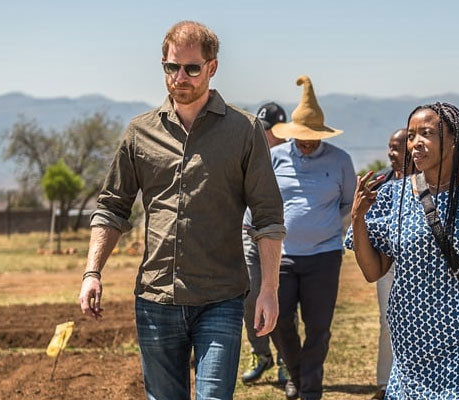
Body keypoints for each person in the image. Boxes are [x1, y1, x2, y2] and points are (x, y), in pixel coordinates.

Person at [77, 21, 285, 400]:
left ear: (212, 67)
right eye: (172, 67)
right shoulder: (139, 133)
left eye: (191, 68)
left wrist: (268, 290)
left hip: (220, 298)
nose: (180, 77)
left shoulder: (245, 130)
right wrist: (93, 272)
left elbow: (268, 216)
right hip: (155, 299)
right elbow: (111, 207)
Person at [348, 102, 459, 399]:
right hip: (410, 349)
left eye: (426, 133)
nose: (415, 143)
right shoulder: (394, 195)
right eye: (411, 135)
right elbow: (373, 271)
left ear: (453, 140)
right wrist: (357, 218)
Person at [268, 75, 357, 400]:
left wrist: (326, 226)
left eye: (312, 138)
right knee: (279, 322)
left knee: (318, 327)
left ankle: (310, 389)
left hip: (324, 256)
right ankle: (296, 373)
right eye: (302, 138)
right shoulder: (275, 158)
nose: (307, 143)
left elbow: (349, 203)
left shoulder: (340, 161)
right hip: (282, 255)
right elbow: (261, 202)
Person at [240, 102, 289, 385]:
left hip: (280, 240)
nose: (266, 134)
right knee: (249, 298)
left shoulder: (291, 156)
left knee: (280, 300)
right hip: (249, 236)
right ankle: (261, 354)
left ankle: (285, 359)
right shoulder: (247, 152)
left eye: (269, 129)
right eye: (262, 129)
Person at [368, 128, 407, 400]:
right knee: (388, 322)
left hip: (419, 265)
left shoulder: (428, 182)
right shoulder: (381, 182)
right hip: (387, 265)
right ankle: (385, 384)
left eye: (397, 148)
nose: (392, 153)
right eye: (390, 147)